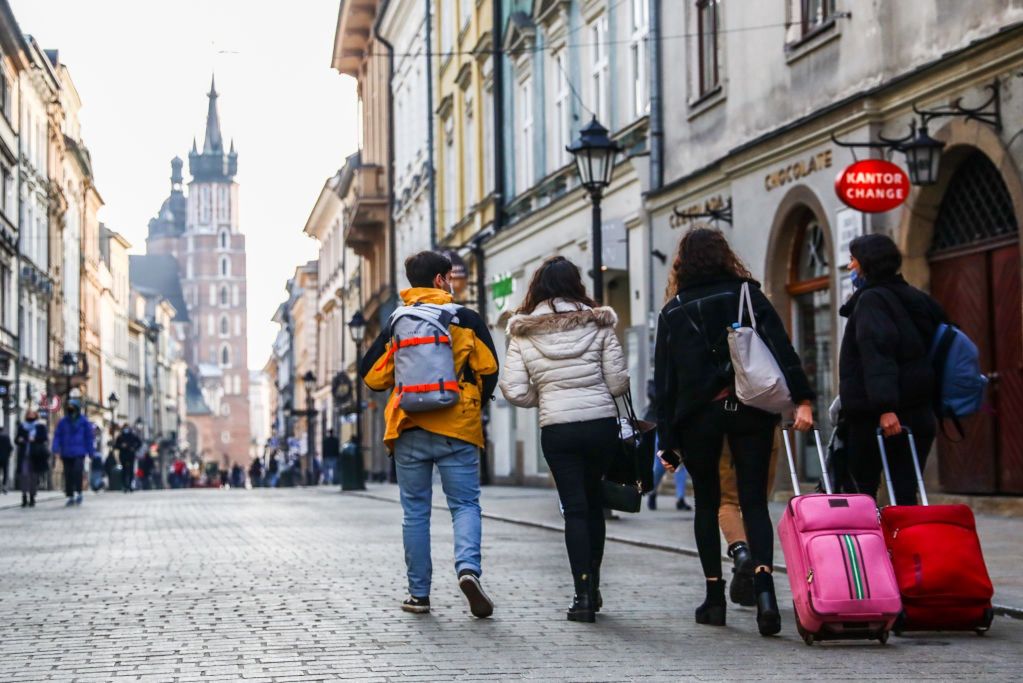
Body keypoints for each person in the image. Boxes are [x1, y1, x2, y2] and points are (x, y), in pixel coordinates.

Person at [654, 227, 815, 636]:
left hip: (699, 419)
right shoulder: (746, 294)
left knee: (707, 504)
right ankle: (765, 595)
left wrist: (668, 442)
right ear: (725, 256)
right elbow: (781, 347)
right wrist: (803, 398)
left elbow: (666, 383)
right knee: (754, 503)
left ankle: (714, 599)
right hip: (750, 410)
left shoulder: (673, 310)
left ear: (682, 263)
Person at [361, 250, 499, 618]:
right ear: (441, 280)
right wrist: (473, 402)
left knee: (415, 513)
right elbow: (489, 368)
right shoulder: (464, 318)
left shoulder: (396, 321)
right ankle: (468, 570)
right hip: (458, 427)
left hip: (408, 427)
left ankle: (418, 595)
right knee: (465, 505)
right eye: (449, 276)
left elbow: (372, 376)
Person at [500, 256, 629, 623]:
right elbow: (619, 383)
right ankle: (596, 584)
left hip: (557, 428)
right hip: (600, 424)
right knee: (594, 505)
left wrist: (546, 396)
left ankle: (582, 595)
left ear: (537, 288)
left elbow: (513, 389)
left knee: (573, 509)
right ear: (577, 285)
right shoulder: (600, 323)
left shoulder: (523, 332)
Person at [839, 233, 944, 505]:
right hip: (919, 410)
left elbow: (878, 354)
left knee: (861, 493)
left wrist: (886, 407)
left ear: (866, 263)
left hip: (879, 416)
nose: (850, 266)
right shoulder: (918, 298)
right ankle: (905, 546)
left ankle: (871, 547)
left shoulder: (872, 301)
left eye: (853, 260)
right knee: (906, 493)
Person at [52, 398, 96, 506]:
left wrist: (90, 452)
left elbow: (89, 437)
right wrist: (55, 448)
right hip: (66, 452)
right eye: (69, 408)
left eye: (73, 407)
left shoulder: (84, 422)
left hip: (79, 452)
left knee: (77, 472)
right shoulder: (63, 422)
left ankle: (79, 492)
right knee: (68, 474)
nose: (71, 410)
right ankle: (70, 495)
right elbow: (57, 435)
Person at [15, 411, 48, 508]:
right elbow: (16, 439)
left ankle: (32, 497)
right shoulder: (22, 426)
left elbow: (44, 438)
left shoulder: (40, 426)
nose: (30, 416)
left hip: (36, 455)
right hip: (24, 455)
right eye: (29, 414)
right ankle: (24, 497)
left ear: (35, 416)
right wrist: (19, 440)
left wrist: (35, 439)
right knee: (24, 476)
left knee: (34, 477)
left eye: (32, 414)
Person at [114, 424, 142, 493]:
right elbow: (116, 445)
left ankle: (130, 485)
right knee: (124, 471)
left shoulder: (132, 436)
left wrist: (134, 448)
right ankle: (124, 486)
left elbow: (139, 443)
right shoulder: (120, 437)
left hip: (130, 455)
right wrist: (121, 446)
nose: (126, 429)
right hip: (123, 455)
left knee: (131, 471)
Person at [0, 424, 11, 495]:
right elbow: (10, 447)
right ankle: (4, 486)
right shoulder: (6, 437)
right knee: (5, 472)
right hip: (4, 458)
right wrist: (8, 455)